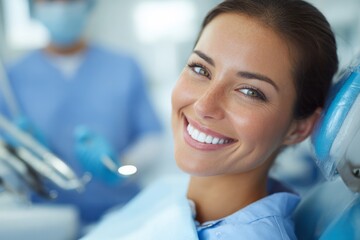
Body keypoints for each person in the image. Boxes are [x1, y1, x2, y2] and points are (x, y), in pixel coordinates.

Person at [81, 0, 338, 239]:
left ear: (300, 127)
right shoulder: (174, 189)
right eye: (200, 69)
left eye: (249, 91)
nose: (204, 105)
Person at [0, 0, 162, 227]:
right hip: (45, 219)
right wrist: (22, 153)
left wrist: (123, 166)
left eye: (71, 1)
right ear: (34, 8)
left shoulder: (124, 66)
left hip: (122, 215)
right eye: (50, 2)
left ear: (88, 6)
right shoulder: (11, 77)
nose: (61, 8)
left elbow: (152, 137)